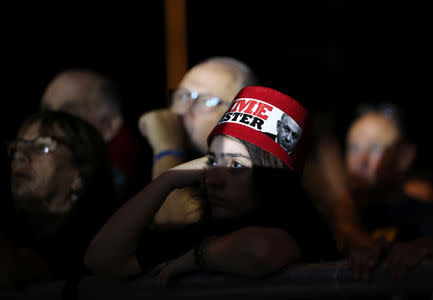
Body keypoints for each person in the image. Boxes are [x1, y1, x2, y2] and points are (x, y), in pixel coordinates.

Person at [84, 86, 340, 289]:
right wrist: (169, 179)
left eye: (236, 166)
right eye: (211, 162)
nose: (213, 179)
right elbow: (101, 259)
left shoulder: (301, 232)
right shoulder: (200, 234)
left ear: (273, 182)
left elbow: (260, 250)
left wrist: (199, 258)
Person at [0, 110, 116, 290]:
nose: (19, 155)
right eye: (17, 147)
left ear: (80, 173)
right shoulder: (10, 232)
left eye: (41, 147)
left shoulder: (101, 246)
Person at [334, 103, 433, 280]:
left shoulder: (432, 217)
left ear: (404, 157)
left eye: (374, 149)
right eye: (354, 148)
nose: (361, 160)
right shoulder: (340, 212)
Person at [138, 56, 259, 224]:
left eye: (206, 101)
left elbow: (171, 220)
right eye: (183, 96)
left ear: (241, 114)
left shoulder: (247, 171)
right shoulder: (143, 158)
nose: (184, 111)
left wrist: (166, 147)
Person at [40, 68, 147, 202]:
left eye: (67, 115)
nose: (50, 124)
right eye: (46, 113)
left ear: (109, 125)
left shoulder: (136, 198)